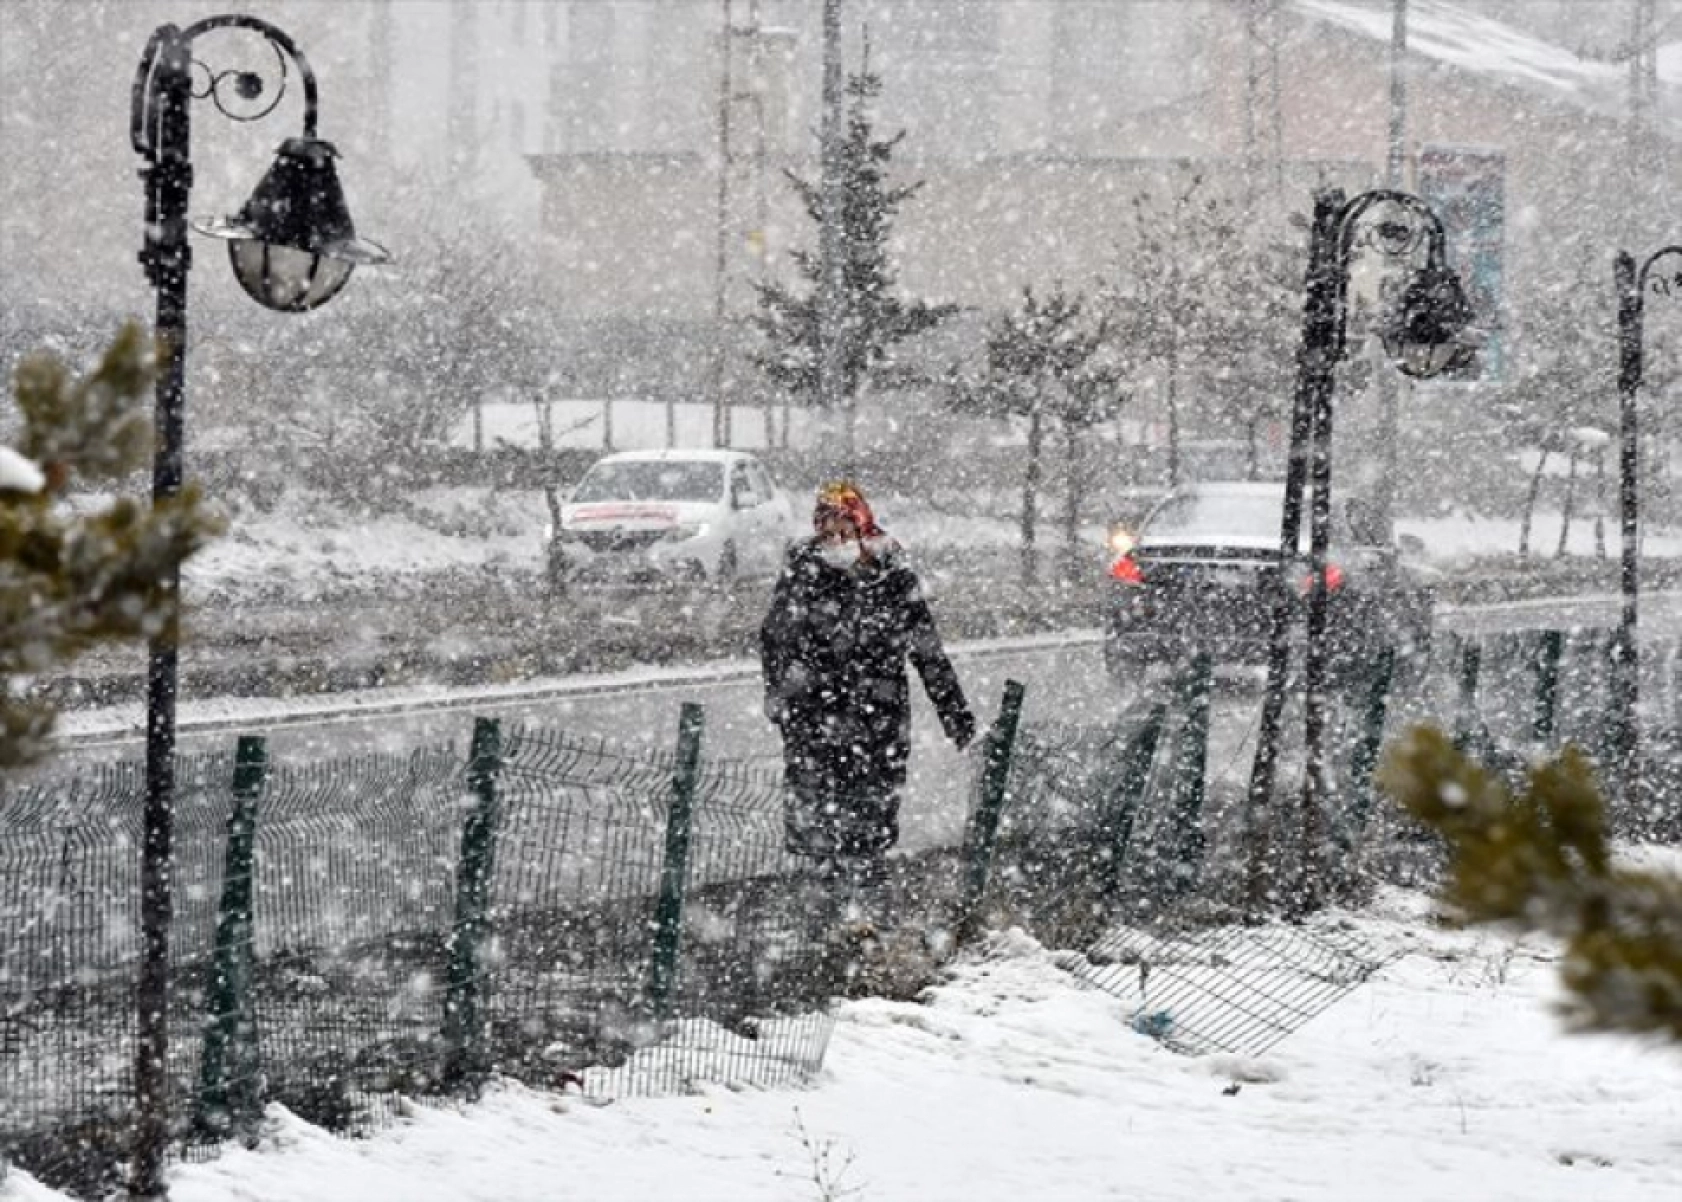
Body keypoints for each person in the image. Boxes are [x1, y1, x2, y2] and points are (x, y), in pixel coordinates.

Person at [760, 481, 977, 897]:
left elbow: (927, 651)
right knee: (818, 823)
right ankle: (827, 896)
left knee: (869, 822)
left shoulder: (892, 575)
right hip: (814, 720)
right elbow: (774, 638)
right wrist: (781, 697)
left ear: (862, 526)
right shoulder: (803, 570)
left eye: (844, 527)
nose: (835, 538)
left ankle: (865, 899)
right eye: (826, 527)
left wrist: (956, 717)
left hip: (877, 721)